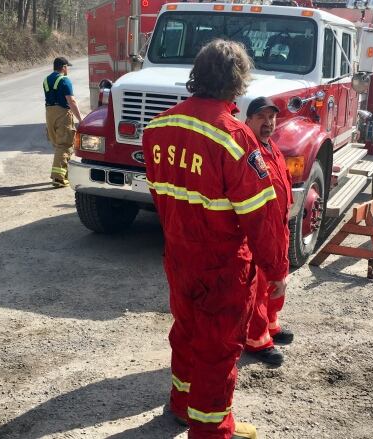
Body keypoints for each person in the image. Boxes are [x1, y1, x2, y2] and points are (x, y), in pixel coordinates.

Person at [142, 40, 289, 439]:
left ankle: (181, 405)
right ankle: (211, 431)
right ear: (237, 83)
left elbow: (159, 195)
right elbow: (262, 215)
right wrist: (276, 268)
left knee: (186, 331)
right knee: (218, 349)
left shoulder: (158, 127)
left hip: (178, 256)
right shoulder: (236, 138)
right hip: (221, 264)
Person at [243, 97, 294, 366]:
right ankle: (257, 339)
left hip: (279, 225)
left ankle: (272, 324)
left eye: (271, 117)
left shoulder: (272, 147)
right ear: (248, 120)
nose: (268, 123)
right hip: (262, 228)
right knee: (261, 282)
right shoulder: (249, 150)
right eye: (261, 117)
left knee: (278, 277)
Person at [43, 56, 83, 188]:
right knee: (65, 145)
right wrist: (81, 119)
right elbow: (71, 101)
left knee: (57, 144)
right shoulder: (65, 80)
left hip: (49, 113)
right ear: (64, 67)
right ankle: (58, 178)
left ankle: (63, 173)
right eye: (67, 67)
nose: (68, 70)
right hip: (62, 114)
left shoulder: (46, 80)